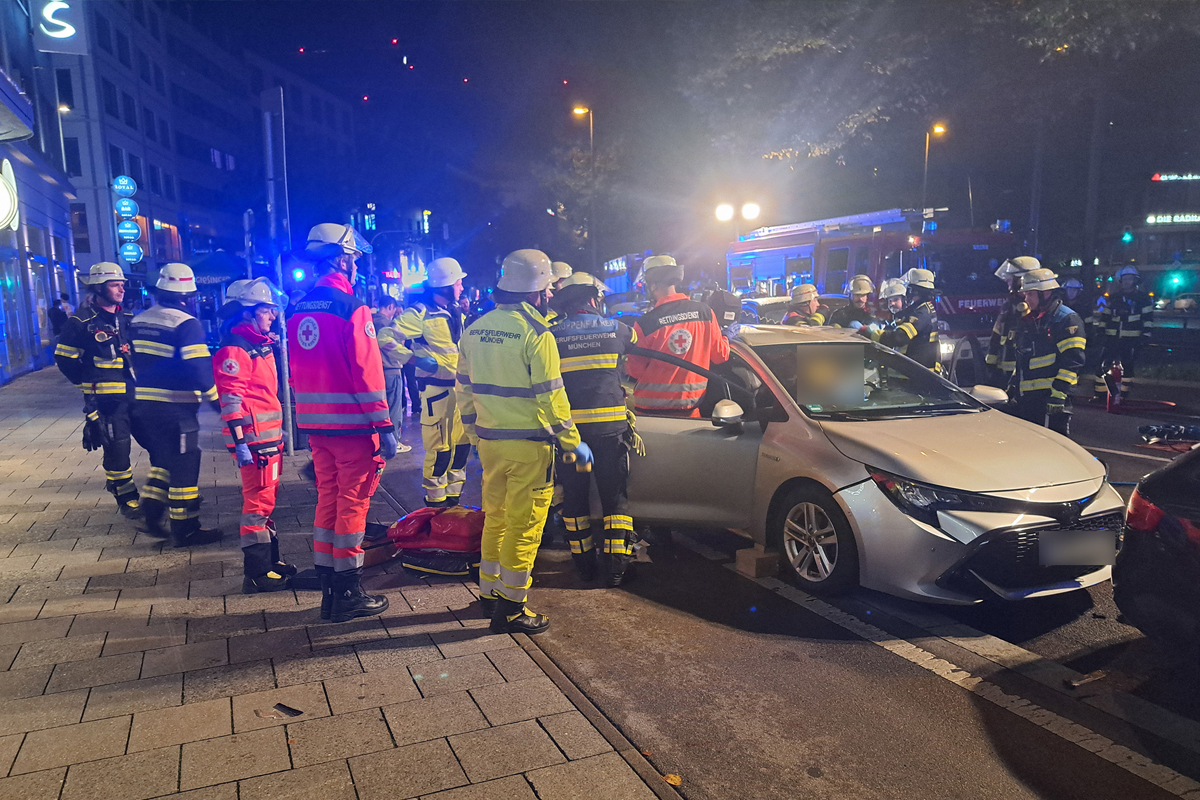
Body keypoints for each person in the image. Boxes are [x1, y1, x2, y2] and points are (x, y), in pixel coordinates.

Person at [456, 249, 591, 634]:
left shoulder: (475, 329)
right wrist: (573, 444)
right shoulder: (537, 334)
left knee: (495, 520)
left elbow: (463, 392)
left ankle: (489, 595)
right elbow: (552, 397)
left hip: (490, 445)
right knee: (524, 527)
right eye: (547, 288)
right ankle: (512, 609)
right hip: (530, 447)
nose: (549, 295)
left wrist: (474, 436)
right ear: (536, 292)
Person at [288, 223, 397, 623]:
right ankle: (348, 591)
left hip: (316, 426)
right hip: (353, 426)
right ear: (342, 259)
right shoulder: (352, 308)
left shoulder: (297, 308)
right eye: (353, 258)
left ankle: (330, 592)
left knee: (329, 500)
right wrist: (384, 426)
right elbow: (367, 374)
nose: (355, 266)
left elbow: (296, 372)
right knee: (353, 503)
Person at [550, 272, 638, 586]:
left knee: (574, 500)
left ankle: (584, 565)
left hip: (572, 437)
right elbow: (637, 354)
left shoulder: (552, 335)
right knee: (615, 499)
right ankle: (615, 569)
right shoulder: (618, 328)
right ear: (593, 298)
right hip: (611, 431)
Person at [129, 263, 223, 546]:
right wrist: (219, 403)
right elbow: (198, 369)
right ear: (189, 295)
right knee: (185, 463)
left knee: (165, 457)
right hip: (177, 408)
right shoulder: (186, 324)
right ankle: (186, 528)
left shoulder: (140, 320)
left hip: (145, 406)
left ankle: (151, 507)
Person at [212, 278, 296, 592]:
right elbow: (230, 398)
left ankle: (271, 563)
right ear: (247, 313)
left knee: (265, 502)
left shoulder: (256, 344)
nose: (273, 315)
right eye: (266, 310)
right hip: (255, 441)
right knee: (257, 506)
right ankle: (258, 574)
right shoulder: (236, 347)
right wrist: (240, 442)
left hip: (266, 437)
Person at [53, 263, 143, 521]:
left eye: (122, 284)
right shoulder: (80, 322)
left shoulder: (126, 318)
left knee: (155, 441)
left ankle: (165, 491)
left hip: (136, 395)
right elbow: (65, 359)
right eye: (115, 284)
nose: (121, 289)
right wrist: (88, 385)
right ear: (99, 288)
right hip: (106, 402)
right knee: (118, 449)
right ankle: (127, 497)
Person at [395, 257, 472, 506]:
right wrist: (413, 359)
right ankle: (435, 504)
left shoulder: (454, 311)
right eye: (459, 283)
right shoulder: (419, 312)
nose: (461, 287)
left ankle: (453, 501)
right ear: (447, 285)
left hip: (459, 391)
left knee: (461, 446)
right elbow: (385, 338)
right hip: (436, 392)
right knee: (440, 450)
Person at [626, 255, 729, 417]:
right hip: (691, 412)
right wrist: (726, 337)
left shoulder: (646, 323)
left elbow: (635, 370)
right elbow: (720, 356)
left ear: (652, 285)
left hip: (651, 416)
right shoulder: (705, 313)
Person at [1011, 268, 1086, 436]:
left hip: (1051, 397)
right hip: (1029, 398)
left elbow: (1073, 360)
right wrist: (1013, 385)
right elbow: (1023, 356)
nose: (1026, 299)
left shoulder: (1066, 319)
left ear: (1045, 294)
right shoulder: (1032, 319)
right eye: (1025, 295)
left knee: (1054, 447)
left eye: (1030, 294)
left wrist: (1059, 393)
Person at [1094, 265, 1154, 402]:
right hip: (1112, 338)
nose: (1127, 281)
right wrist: (1101, 331)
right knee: (1103, 365)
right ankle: (1100, 394)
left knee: (1127, 367)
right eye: (1125, 279)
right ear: (1121, 281)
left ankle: (1122, 396)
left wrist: (1146, 335)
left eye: (1130, 279)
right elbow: (1106, 316)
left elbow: (1148, 319)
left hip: (1131, 339)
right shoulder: (1115, 297)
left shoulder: (1142, 299)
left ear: (1135, 280)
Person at [984, 257, 1040, 388]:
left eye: (1010, 278)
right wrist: (990, 365)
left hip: (1022, 375)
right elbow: (996, 336)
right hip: (1003, 373)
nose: (1007, 281)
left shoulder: (1035, 307)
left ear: (1022, 280)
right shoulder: (1009, 305)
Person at [373, 295, 413, 454]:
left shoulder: (369, 321)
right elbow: (398, 346)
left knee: (380, 408)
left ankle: (380, 440)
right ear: (390, 307)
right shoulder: (387, 325)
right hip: (391, 369)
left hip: (375, 372)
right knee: (394, 408)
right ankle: (393, 441)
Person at [879, 268, 939, 370]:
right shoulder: (921, 309)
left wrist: (874, 334)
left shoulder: (922, 312)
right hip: (917, 372)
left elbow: (900, 337)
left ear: (913, 291)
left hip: (918, 375)